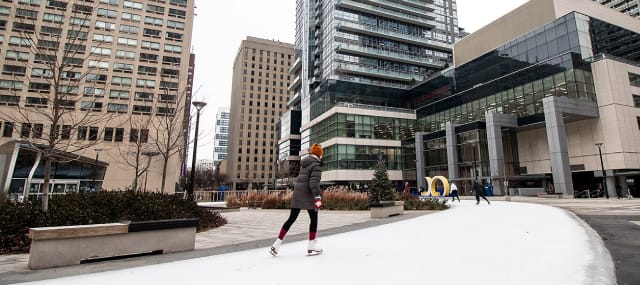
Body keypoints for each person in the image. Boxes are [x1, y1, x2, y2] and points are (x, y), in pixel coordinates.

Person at [270, 143, 324, 256]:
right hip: (309, 196)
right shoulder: (316, 165)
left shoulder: (305, 163)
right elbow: (313, 182)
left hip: (298, 195)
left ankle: (276, 244)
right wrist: (317, 196)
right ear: (319, 154)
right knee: (314, 219)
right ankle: (311, 246)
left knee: (291, 219)